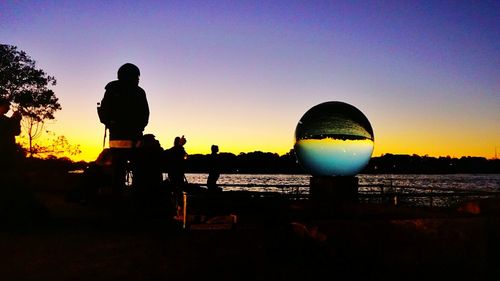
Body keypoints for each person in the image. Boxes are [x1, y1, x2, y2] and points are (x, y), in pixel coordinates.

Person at [97, 63, 150, 199]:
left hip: (116, 142)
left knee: (117, 174)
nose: (139, 79)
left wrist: (112, 124)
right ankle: (135, 200)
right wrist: (139, 127)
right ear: (131, 76)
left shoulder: (111, 90)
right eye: (137, 76)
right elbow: (145, 114)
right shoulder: (139, 92)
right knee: (138, 174)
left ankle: (117, 201)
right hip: (134, 142)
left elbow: (104, 114)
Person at [0, 97, 22, 171]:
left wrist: (17, 120)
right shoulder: (7, 120)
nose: (9, 109)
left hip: (9, 152)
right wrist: (13, 119)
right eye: (7, 106)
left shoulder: (7, 119)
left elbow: (16, 132)